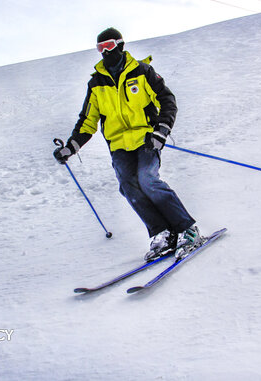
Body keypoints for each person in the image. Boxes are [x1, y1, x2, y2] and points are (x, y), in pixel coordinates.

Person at [53, 27, 202, 261]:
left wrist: (161, 130)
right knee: (128, 186)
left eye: (109, 46)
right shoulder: (96, 83)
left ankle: (187, 229)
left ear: (120, 45)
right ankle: (163, 233)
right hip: (119, 145)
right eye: (100, 48)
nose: (105, 52)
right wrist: (71, 147)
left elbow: (167, 100)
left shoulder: (142, 72)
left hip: (146, 139)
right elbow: (87, 121)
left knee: (148, 180)